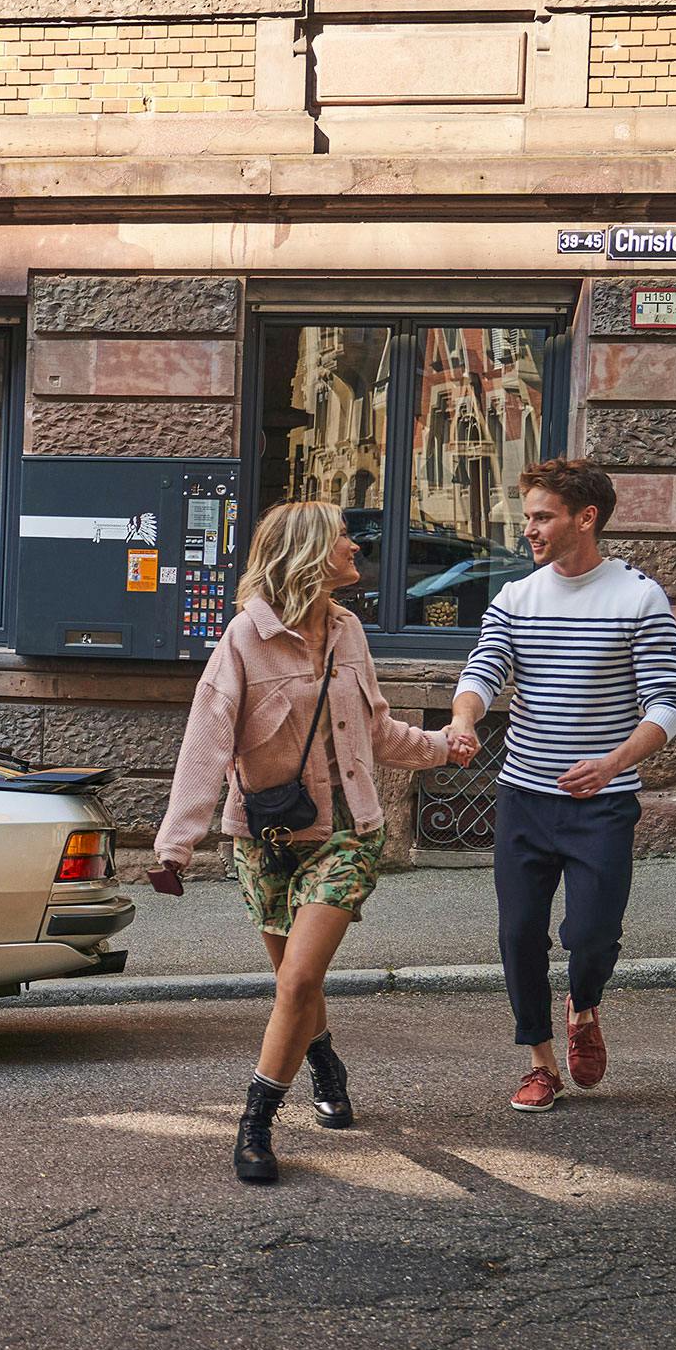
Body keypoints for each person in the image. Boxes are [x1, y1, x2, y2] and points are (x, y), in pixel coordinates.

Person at [157, 500, 477, 1184]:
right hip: (269, 841)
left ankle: (255, 1124)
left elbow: (377, 732)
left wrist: (440, 748)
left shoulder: (349, 631)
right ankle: (324, 1060)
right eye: (344, 542)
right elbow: (206, 744)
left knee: (299, 978)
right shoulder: (246, 639)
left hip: (347, 837)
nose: (356, 550)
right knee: (294, 986)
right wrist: (175, 845)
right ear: (308, 554)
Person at [444, 458, 676, 1114]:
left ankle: (585, 1006)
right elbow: (484, 670)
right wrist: (463, 719)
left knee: (591, 934)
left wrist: (612, 762)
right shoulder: (517, 598)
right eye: (528, 517)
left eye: (543, 516)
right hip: (524, 798)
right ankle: (541, 1063)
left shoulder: (639, 597)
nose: (531, 529)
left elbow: (667, 706)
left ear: (586, 518)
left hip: (602, 807)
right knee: (519, 933)